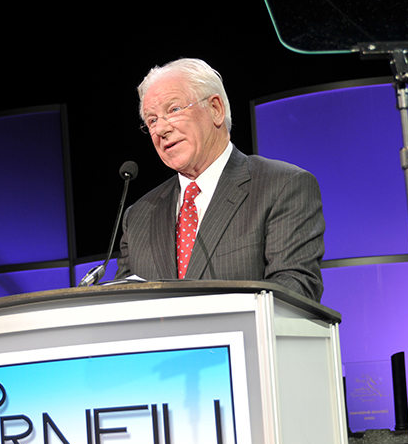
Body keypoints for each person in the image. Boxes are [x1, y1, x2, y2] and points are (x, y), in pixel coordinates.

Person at [115, 58, 325, 302]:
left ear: (215, 109)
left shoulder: (282, 187)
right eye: (152, 120)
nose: (161, 129)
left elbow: (295, 290)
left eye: (173, 110)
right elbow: (122, 303)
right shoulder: (138, 216)